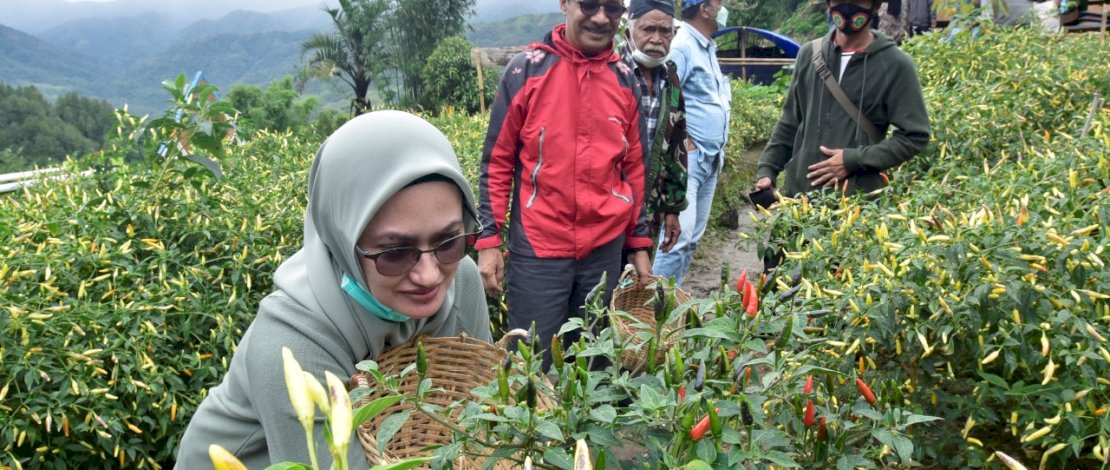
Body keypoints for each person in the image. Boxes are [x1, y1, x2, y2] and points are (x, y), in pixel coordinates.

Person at [176, 111, 492, 468]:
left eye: (448, 240)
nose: (429, 275)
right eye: (395, 252)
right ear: (343, 240)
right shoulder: (292, 344)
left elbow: (480, 413)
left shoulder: (461, 279)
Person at [475, 0, 654, 367]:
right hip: (539, 247)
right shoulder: (525, 71)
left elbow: (635, 168)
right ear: (565, 4)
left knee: (596, 360)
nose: (601, 17)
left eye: (613, 9)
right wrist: (489, 241)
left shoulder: (625, 80)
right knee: (529, 362)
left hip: (605, 248)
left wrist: (638, 242)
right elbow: (497, 162)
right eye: (589, 5)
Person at [754, 0, 930, 268]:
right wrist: (768, 169)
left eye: (857, 1)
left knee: (838, 293)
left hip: (853, 208)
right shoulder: (809, 54)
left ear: (874, 5)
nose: (846, 9)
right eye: (838, 1)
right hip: (798, 202)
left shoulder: (895, 64)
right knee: (779, 291)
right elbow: (791, 120)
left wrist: (852, 159)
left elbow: (914, 136)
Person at [650, 0, 733, 286]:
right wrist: (682, 142)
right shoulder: (683, 44)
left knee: (691, 238)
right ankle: (652, 309)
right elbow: (666, 96)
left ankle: (673, 303)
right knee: (677, 238)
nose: (724, 8)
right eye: (719, 2)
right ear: (704, 8)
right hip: (691, 160)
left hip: (710, 158)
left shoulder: (706, 46)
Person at [620, 0, 689, 257]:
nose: (657, 39)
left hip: (649, 210)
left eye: (665, 31)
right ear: (629, 31)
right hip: (611, 208)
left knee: (637, 287)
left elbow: (677, 144)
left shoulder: (670, 77)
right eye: (648, 29)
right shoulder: (611, 71)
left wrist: (672, 207)